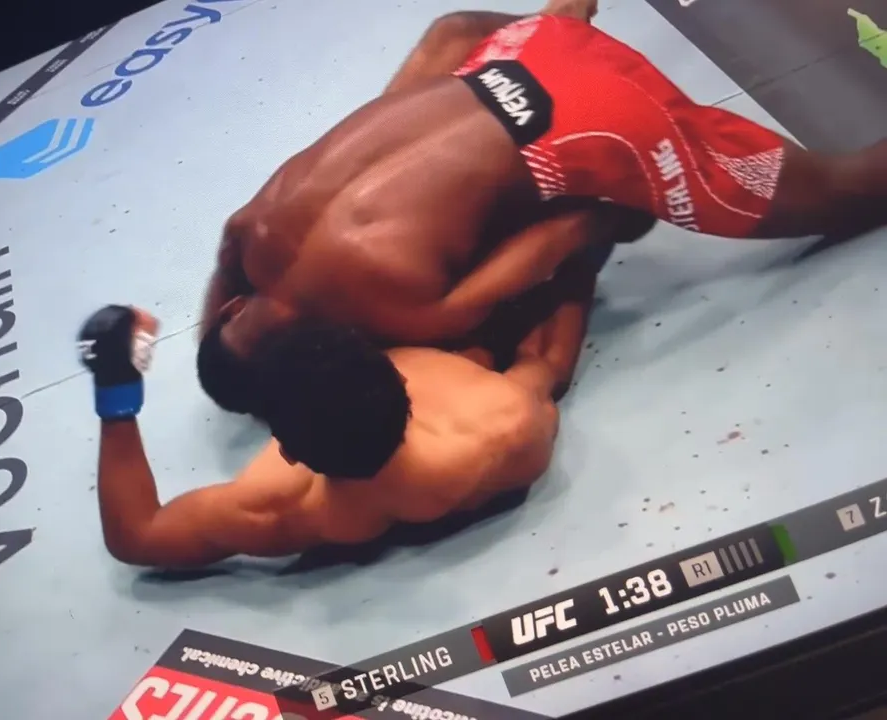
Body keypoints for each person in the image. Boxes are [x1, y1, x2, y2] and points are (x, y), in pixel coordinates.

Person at [196, 1, 887, 460]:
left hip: (598, 119)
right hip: (514, 51)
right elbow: (226, 262)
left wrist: (631, 204)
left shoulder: (394, 309)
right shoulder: (252, 224)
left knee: (842, 194)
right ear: (232, 309)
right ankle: (569, 18)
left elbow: (574, 232)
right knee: (447, 50)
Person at [77, 255, 594, 568]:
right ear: (398, 375)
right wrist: (584, 253)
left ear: (286, 450)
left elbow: (138, 534)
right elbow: (545, 361)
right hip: (468, 385)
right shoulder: (506, 425)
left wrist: (116, 392)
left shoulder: (278, 507)